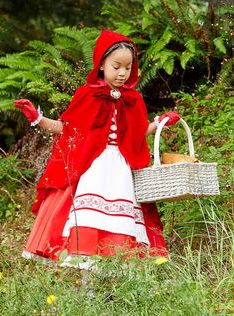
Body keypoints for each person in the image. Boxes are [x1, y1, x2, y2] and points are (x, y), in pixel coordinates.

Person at [15, 30, 180, 268]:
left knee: (122, 227)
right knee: (88, 221)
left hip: (122, 171)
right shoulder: (87, 94)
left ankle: (116, 285)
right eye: (117, 66)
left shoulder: (133, 99)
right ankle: (88, 287)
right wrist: (37, 118)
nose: (123, 73)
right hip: (93, 168)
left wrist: (159, 122)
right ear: (102, 64)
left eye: (128, 67)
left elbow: (136, 134)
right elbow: (67, 129)